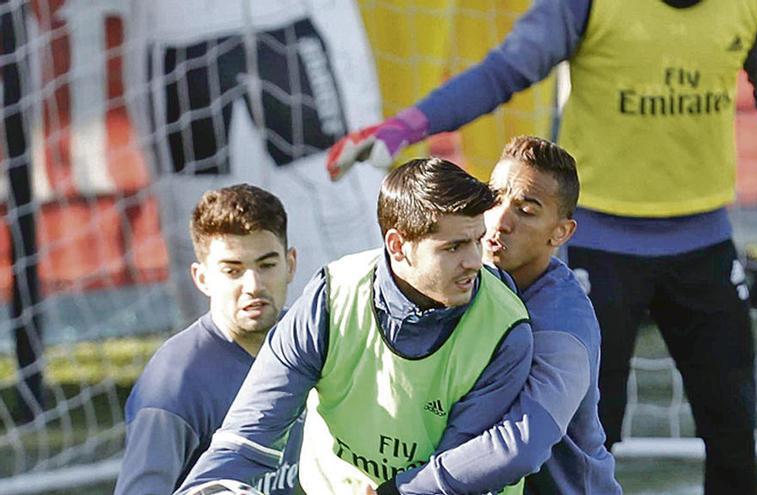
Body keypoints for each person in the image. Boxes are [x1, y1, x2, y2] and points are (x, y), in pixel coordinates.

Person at [327, 1, 757, 493]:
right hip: (599, 249)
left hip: (706, 244)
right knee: (588, 438)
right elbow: (505, 70)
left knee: (734, 435)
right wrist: (408, 127)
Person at [176, 158, 534, 494]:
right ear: (397, 246)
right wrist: (209, 485)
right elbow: (248, 432)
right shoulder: (330, 297)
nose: (475, 261)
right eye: (453, 247)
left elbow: (460, 469)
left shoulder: (505, 328)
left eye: (476, 240)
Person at [366, 136, 622, 494]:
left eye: (526, 210)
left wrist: (406, 489)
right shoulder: (452, 282)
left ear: (560, 232)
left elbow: (522, 444)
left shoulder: (562, 325)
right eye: (495, 198)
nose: (499, 221)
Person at [126, 0, 386, 323]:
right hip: (180, 35)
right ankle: (212, 348)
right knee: (192, 204)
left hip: (284, 21)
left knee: (334, 181)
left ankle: (369, 326)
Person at [114, 184, 301, 495]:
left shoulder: (312, 344)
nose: (253, 285)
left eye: (267, 265)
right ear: (202, 279)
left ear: (290, 264)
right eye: (232, 270)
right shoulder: (175, 384)